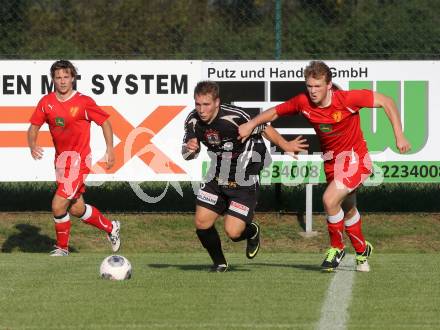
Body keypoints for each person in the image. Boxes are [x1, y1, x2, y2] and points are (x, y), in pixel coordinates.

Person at [238, 60, 411, 272]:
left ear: (329, 85)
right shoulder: (304, 102)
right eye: (309, 86)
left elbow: (387, 101)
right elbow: (274, 112)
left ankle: (336, 248)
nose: (312, 91)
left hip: (356, 160)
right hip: (332, 162)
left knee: (329, 199)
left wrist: (399, 134)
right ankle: (361, 252)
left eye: (317, 86)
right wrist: (251, 124)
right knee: (347, 209)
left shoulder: (347, 99)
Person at [182, 80, 308, 272]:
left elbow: (264, 126)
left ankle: (252, 231)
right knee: (201, 222)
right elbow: (187, 154)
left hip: (244, 179)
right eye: (198, 104)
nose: (201, 109)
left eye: (206, 104)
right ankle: (220, 263)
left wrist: (286, 146)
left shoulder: (234, 117)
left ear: (217, 102)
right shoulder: (192, 120)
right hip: (216, 177)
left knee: (233, 232)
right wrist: (190, 149)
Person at [27, 60, 121, 256]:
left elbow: (105, 122)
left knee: (57, 205)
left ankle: (62, 248)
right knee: (77, 209)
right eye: (58, 77)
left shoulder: (83, 102)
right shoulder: (47, 102)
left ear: (73, 78)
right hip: (61, 162)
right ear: (53, 79)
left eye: (66, 77)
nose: (62, 81)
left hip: (79, 162)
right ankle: (111, 227)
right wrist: (33, 144)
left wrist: (110, 148)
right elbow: (33, 127)